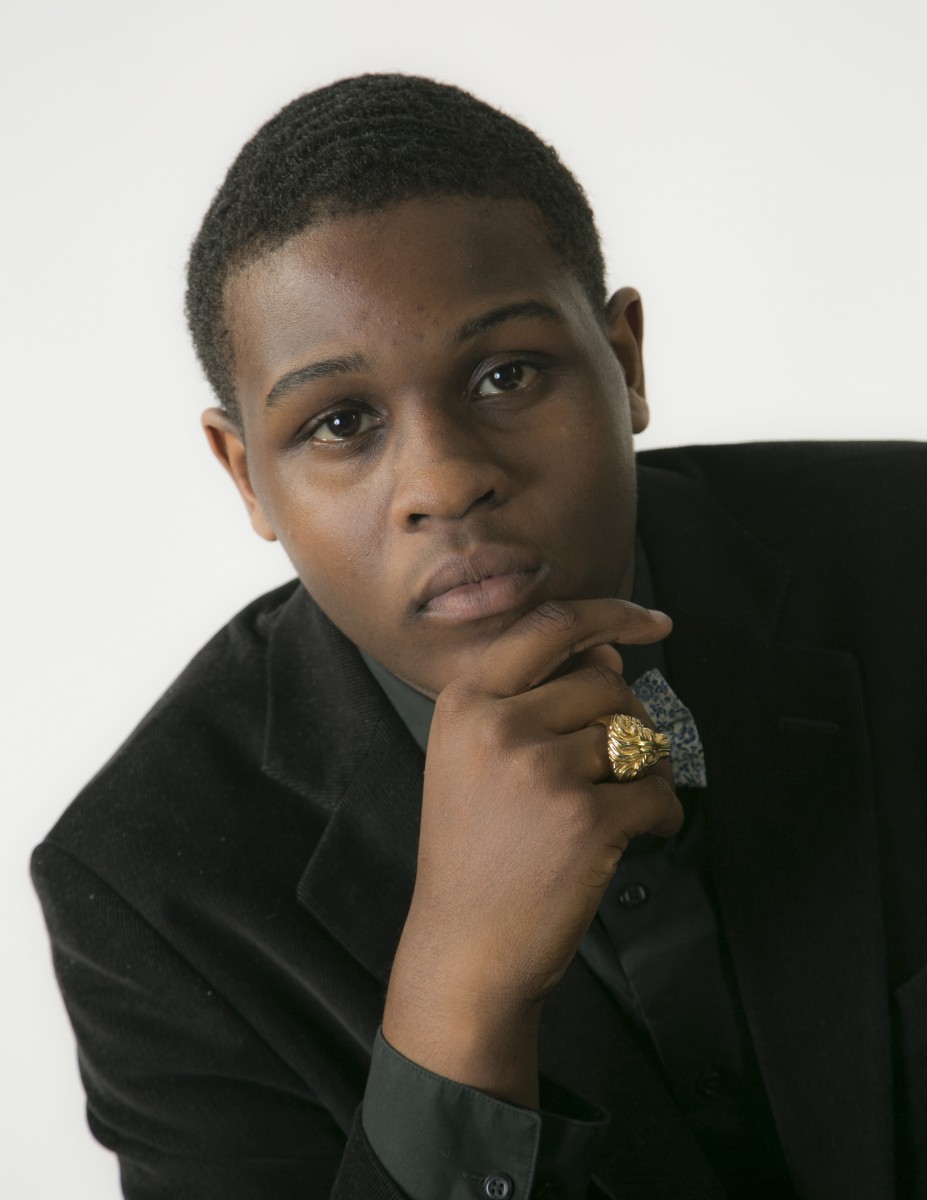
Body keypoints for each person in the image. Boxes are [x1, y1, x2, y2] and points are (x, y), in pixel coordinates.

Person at [32, 73, 926, 1200]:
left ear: (626, 363)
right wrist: (460, 997)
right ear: (245, 474)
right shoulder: (150, 888)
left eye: (506, 374)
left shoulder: (907, 552)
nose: (446, 482)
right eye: (339, 423)